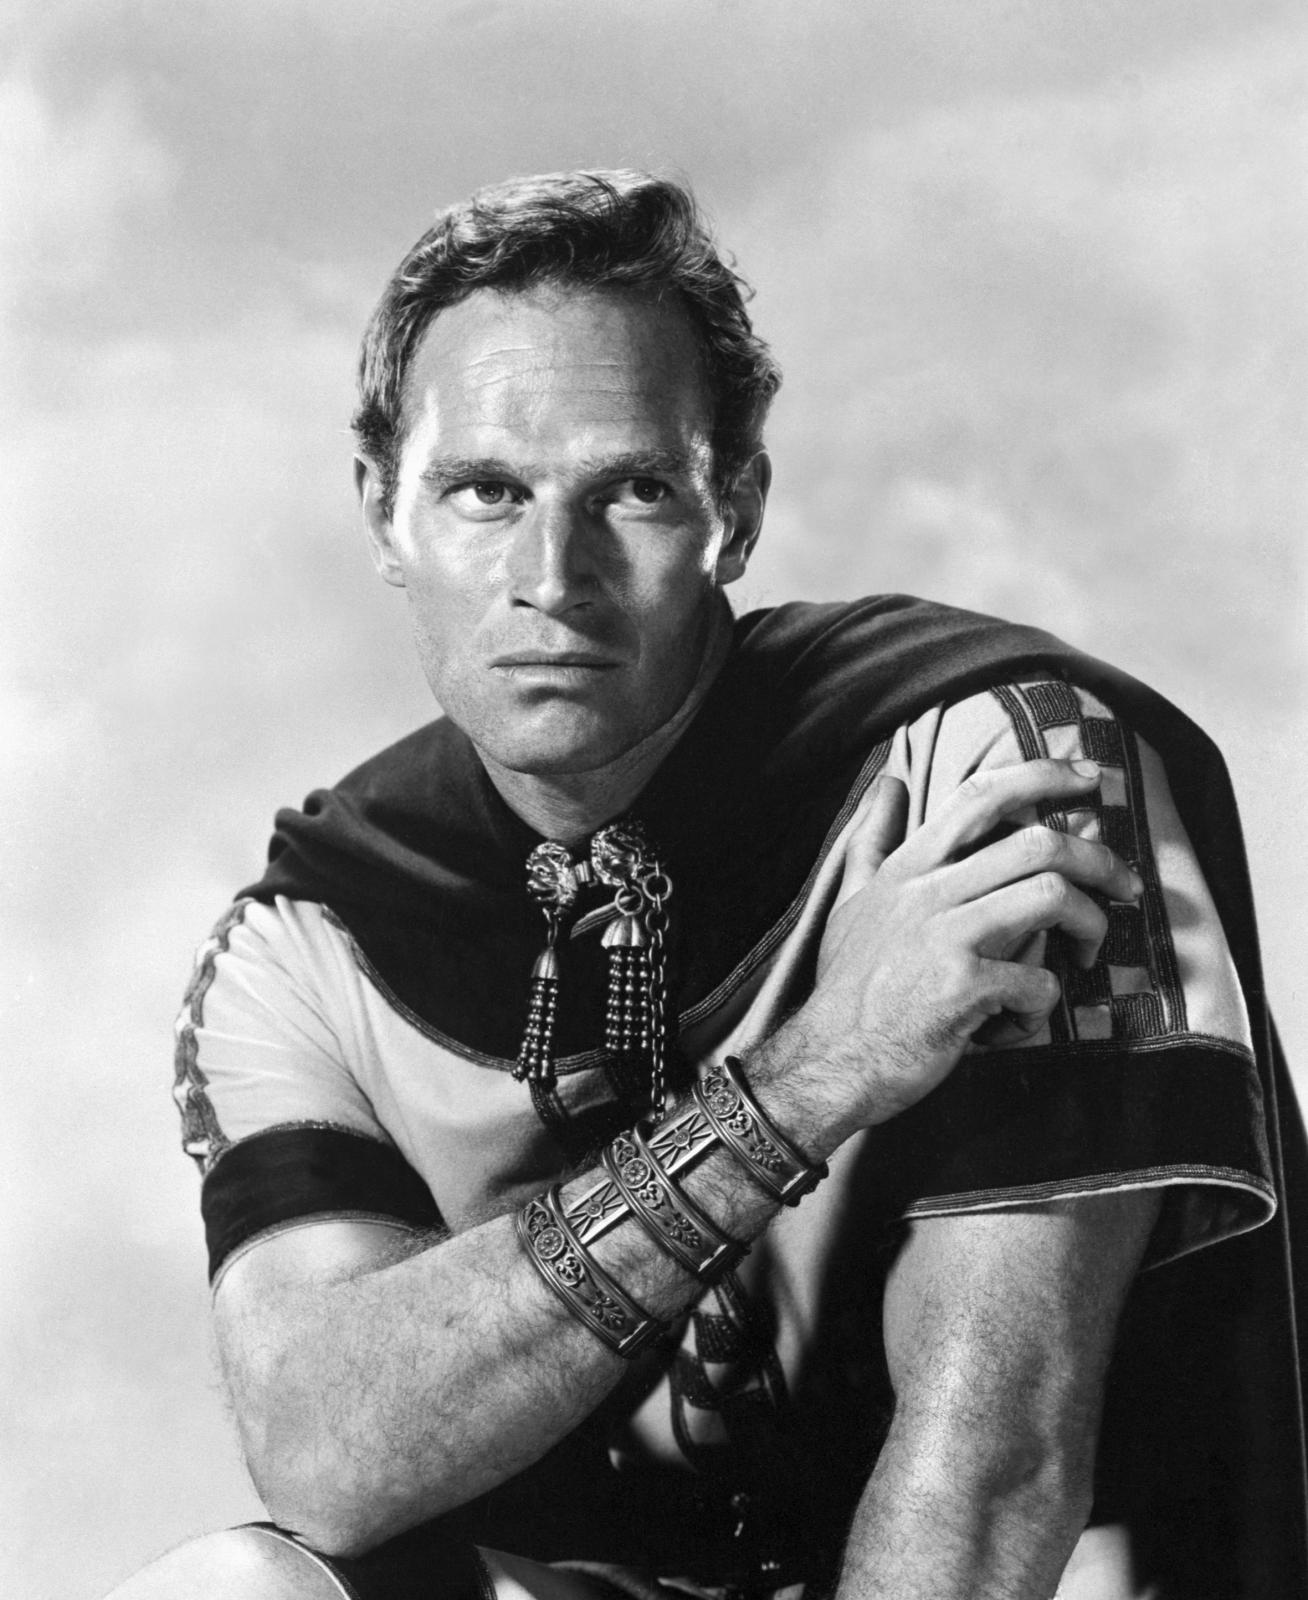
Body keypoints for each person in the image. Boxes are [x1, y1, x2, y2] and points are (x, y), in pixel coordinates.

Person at [112, 171, 1305, 1600]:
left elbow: (996, 1472)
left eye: (633, 490)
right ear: (383, 514)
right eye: (486, 492)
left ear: (733, 511)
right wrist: (811, 1079)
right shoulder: (306, 939)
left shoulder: (999, 765)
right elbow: (329, 1459)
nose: (552, 577)